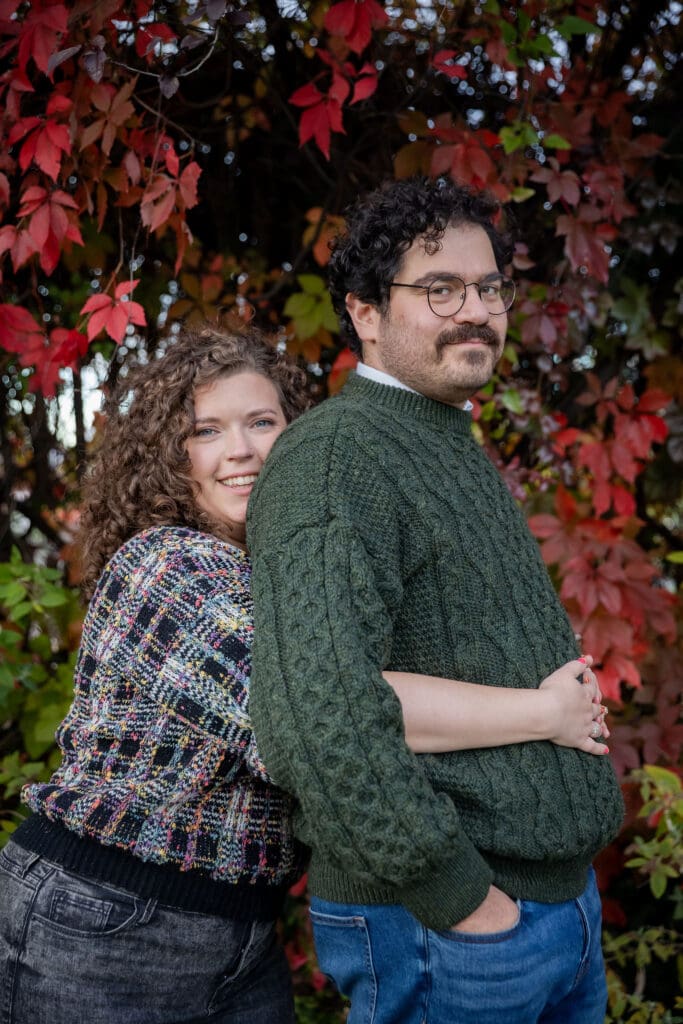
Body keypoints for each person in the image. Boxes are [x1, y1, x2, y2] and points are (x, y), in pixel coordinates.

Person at [0, 318, 606, 1024]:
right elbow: (322, 709)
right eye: (206, 431)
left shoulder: (292, 573)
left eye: (264, 422)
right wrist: (543, 713)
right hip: (103, 914)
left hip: (242, 927)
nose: (243, 451)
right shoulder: (165, 568)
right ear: (166, 457)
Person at [246, 177, 626, 1024]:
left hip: (551, 914)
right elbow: (316, 713)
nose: (476, 310)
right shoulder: (338, 457)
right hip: (455, 930)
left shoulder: (442, 442)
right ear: (366, 313)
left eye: (489, 287)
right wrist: (458, 898)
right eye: (439, 288)